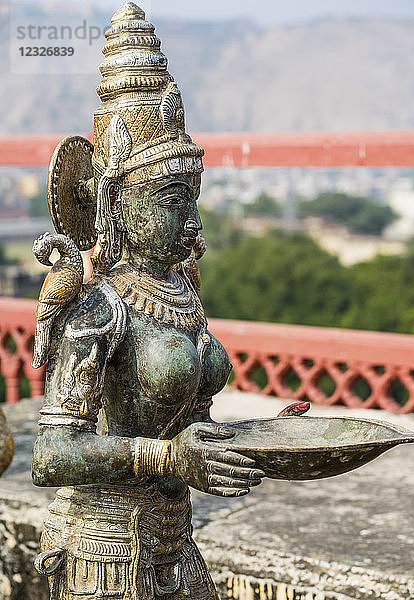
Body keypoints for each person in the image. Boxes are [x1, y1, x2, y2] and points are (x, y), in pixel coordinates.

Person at [31, 4, 264, 598]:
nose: (190, 218)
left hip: (173, 538)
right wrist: (166, 459)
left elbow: (183, 423)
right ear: (113, 202)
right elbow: (52, 455)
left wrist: (240, 441)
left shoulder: (182, 293)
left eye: (192, 197)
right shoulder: (100, 310)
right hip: (102, 549)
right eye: (169, 198)